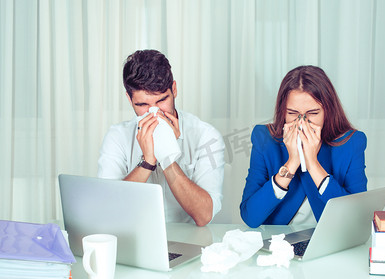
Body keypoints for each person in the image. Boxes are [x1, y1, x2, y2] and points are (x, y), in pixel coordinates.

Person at [98, 49, 225, 227]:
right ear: (129, 99)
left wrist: (167, 156)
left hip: (189, 240)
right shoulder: (117, 136)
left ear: (174, 89)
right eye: (142, 104)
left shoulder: (206, 136)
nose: (154, 112)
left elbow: (204, 215)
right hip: (133, 234)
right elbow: (108, 210)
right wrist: (148, 161)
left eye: (161, 101)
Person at [240, 65, 367, 228]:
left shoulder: (352, 143)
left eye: (313, 113)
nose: (302, 122)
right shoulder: (265, 139)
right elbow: (250, 216)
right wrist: (291, 163)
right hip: (278, 244)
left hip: (330, 242)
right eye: (292, 113)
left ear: (328, 111)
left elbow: (355, 219)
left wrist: (313, 164)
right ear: (282, 111)